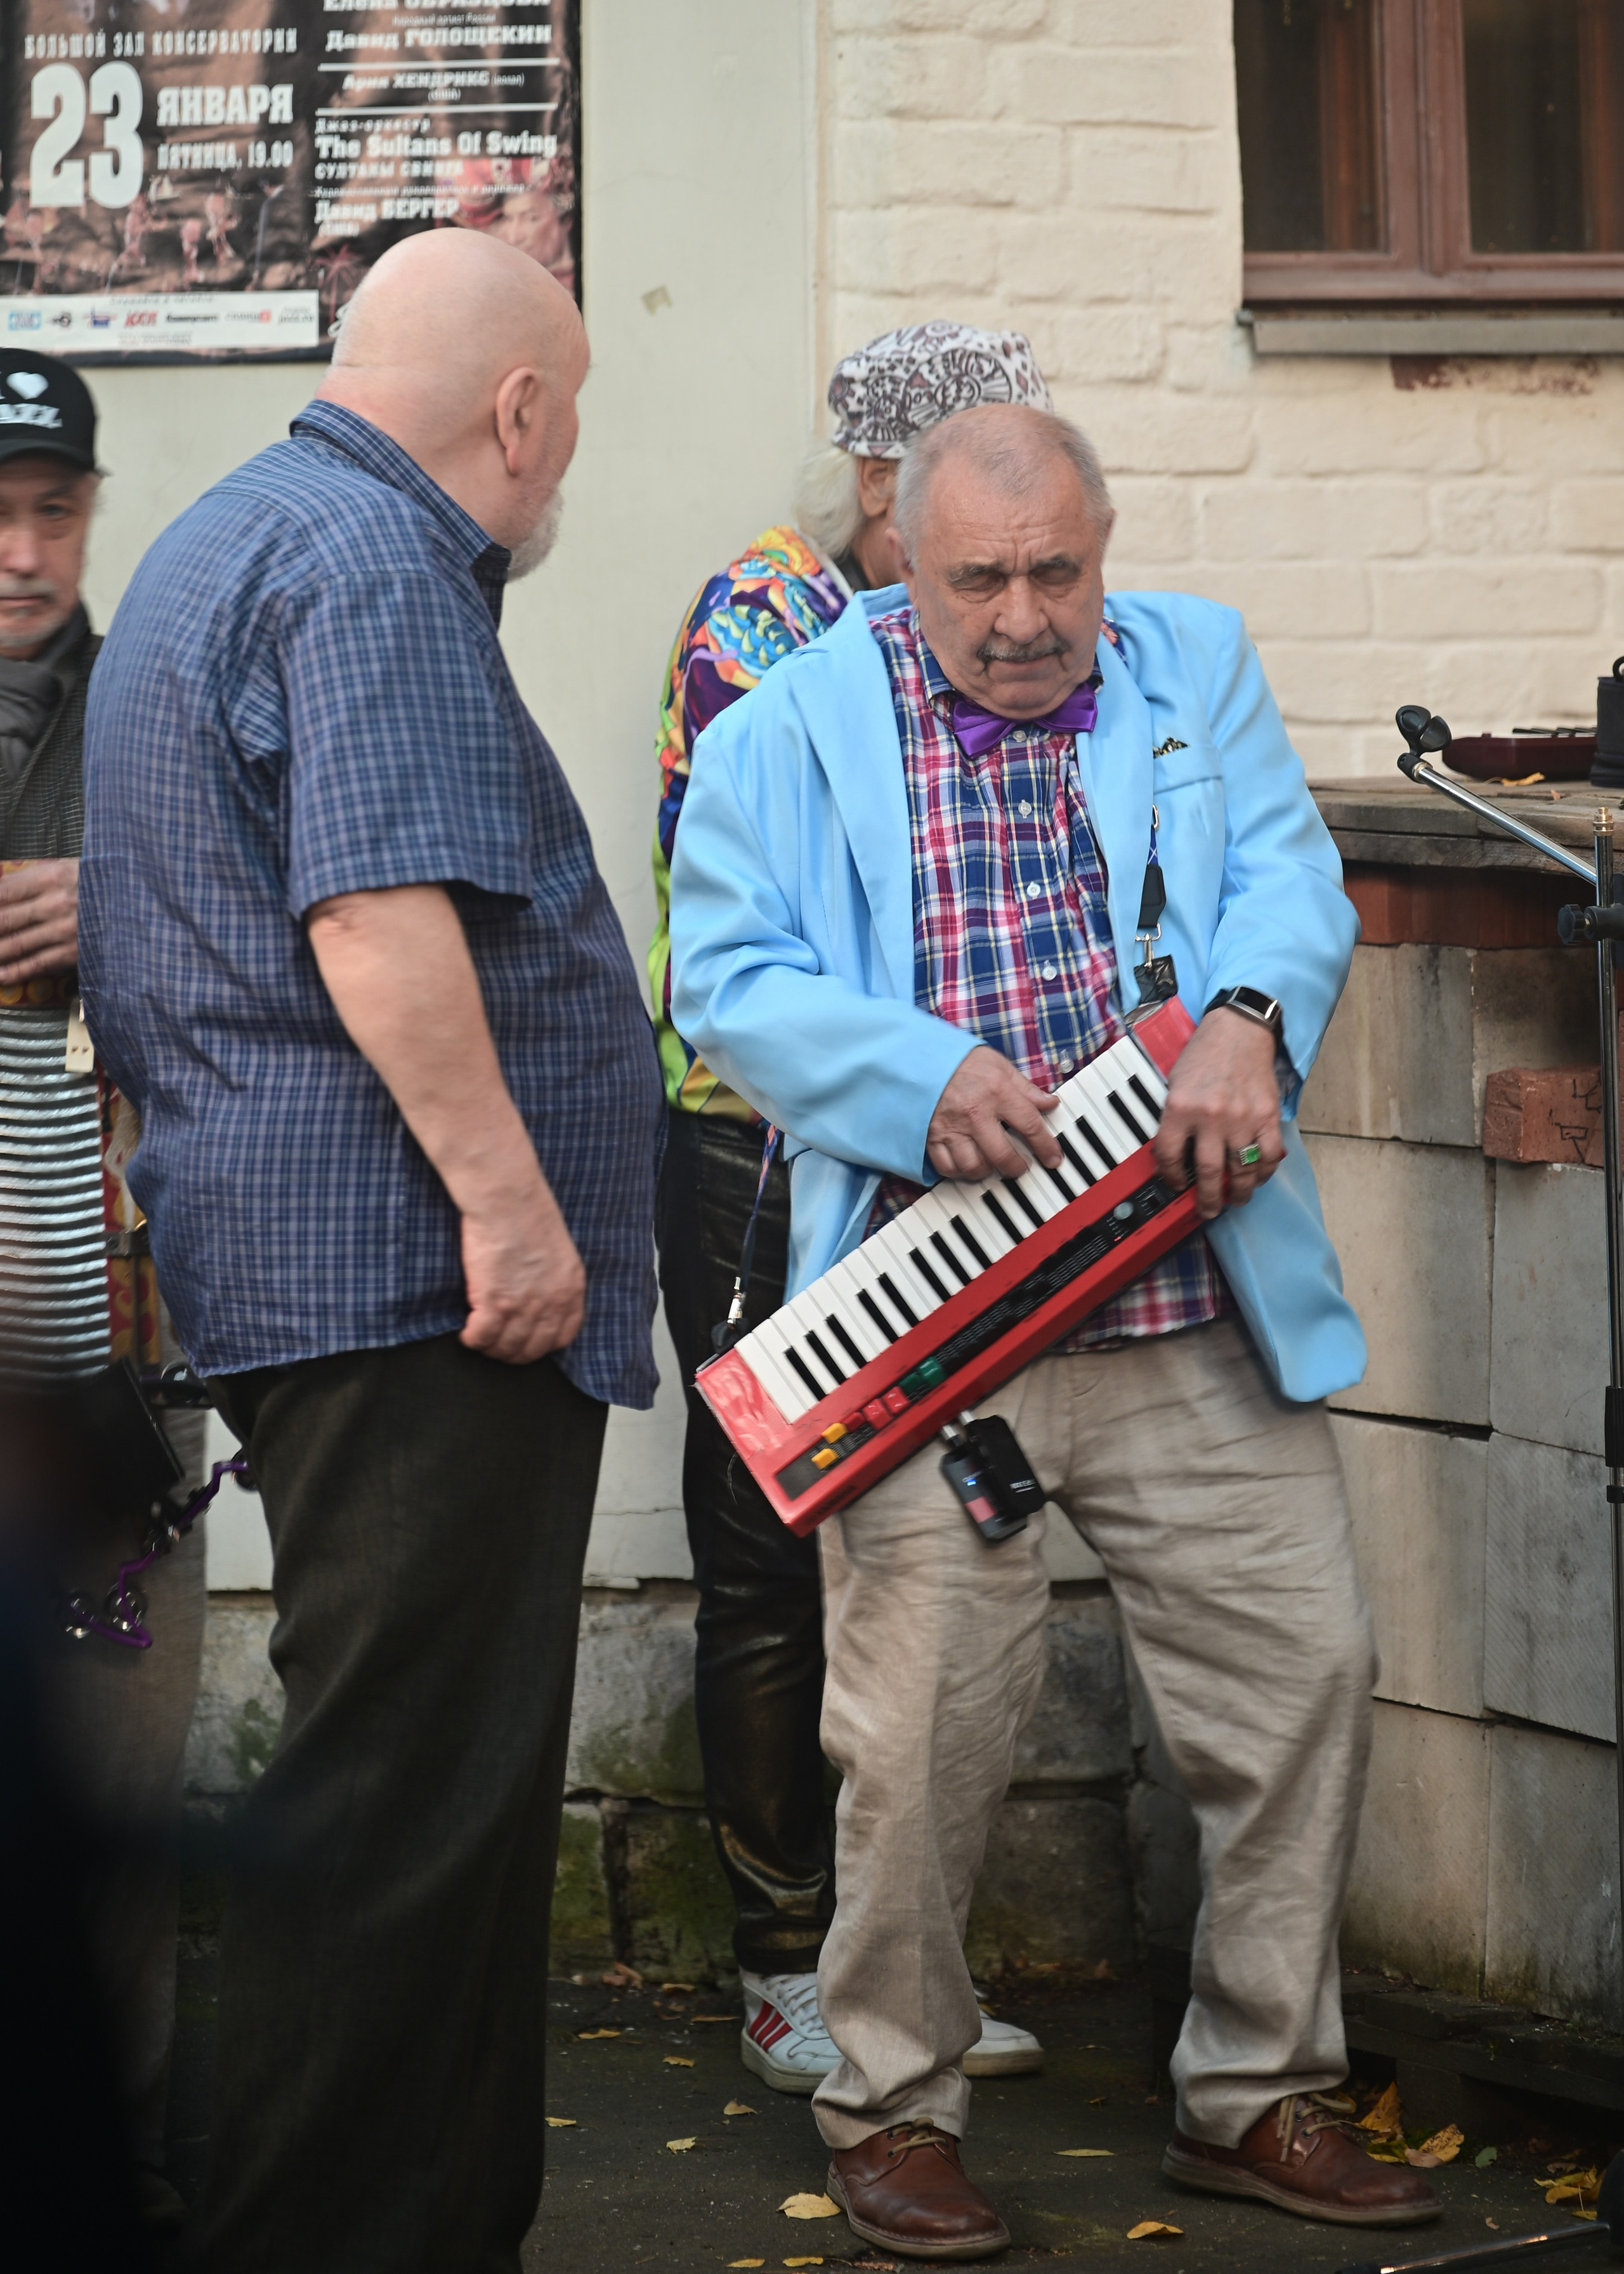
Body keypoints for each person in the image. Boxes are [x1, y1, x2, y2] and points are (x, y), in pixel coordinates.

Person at [669, 403, 1440, 2261]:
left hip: (1195, 1308)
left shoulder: (1201, 661)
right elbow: (726, 977)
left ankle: (1257, 2093)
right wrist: (919, 1080)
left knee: (1308, 1676)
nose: (1024, 614)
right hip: (947, 1347)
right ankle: (891, 2107)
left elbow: (1286, 879)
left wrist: (1254, 1008)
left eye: (1058, 571)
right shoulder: (788, 729)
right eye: (978, 578)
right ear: (899, 563)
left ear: (1105, 544)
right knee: (922, 1748)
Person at [79, 230, 665, 2274]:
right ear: (517, 410)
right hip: (420, 1291)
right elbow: (376, 919)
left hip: (323, 1272)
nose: (560, 460)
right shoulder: (378, 562)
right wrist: (515, 1212)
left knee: (415, 1801)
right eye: (566, 421)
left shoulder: (240, 531)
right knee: (416, 1821)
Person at [650, 324, 1054, 2094]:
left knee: (934, 1548)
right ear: (880, 481)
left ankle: (898, 1971)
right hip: (755, 1149)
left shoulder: (968, 619)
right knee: (767, 1553)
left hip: (938, 1145)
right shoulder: (761, 619)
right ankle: (777, 1967)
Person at [0, 348, 207, 2236]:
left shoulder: (165, 696)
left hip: (118, 1377)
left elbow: (281, 957)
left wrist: (114, 912)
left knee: (130, 1778)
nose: (20, 548)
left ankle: (120, 2164)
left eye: (52, 506)